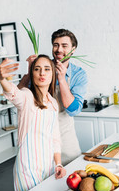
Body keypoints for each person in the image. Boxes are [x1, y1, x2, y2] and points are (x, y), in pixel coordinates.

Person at [0, 55, 66, 191]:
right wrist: (1, 78)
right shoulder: (26, 96)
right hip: (27, 168)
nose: (42, 73)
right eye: (37, 69)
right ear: (31, 73)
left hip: (48, 167)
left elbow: (55, 138)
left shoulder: (53, 103)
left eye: (47, 69)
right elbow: (13, 93)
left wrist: (58, 164)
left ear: (52, 74)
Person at [18, 29, 87, 166]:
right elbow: (19, 95)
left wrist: (61, 79)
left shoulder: (78, 74)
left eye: (64, 45)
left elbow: (73, 110)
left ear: (73, 49)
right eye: (55, 45)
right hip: (39, 135)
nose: (59, 49)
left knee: (71, 170)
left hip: (64, 136)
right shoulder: (42, 67)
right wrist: (30, 71)